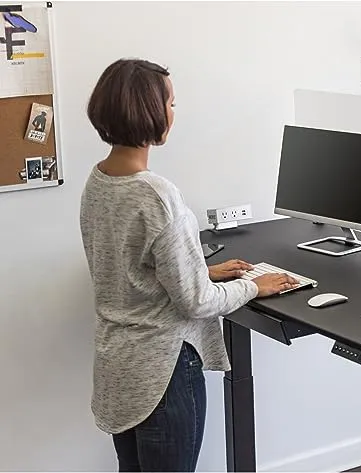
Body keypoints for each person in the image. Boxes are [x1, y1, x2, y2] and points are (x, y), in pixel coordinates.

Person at [79, 58, 298, 472]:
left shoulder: (99, 181)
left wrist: (203, 269)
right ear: (149, 111)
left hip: (118, 364)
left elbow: (129, 268)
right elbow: (195, 302)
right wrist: (255, 286)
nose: (174, 113)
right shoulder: (158, 196)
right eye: (172, 103)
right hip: (164, 370)